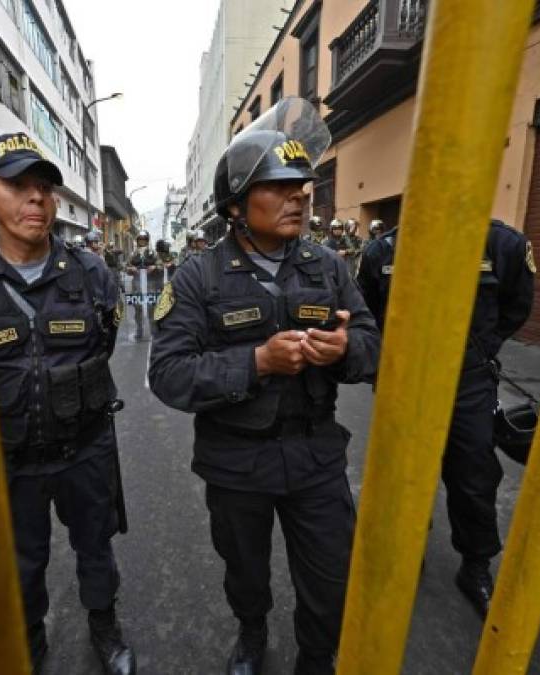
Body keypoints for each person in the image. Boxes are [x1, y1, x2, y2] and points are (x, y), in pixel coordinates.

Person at [148, 97, 380, 675]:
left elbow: (375, 342)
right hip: (236, 463)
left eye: (302, 184)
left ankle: (316, 658)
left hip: (315, 456)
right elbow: (169, 374)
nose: (300, 195)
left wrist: (346, 348)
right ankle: (251, 635)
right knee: (245, 568)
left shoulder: (328, 266)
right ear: (235, 205)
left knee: (331, 578)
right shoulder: (197, 275)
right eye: (278, 186)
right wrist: (257, 361)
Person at [0, 132, 136, 675]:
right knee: (23, 561)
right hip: (8, 458)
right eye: (17, 186)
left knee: (96, 546)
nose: (35, 199)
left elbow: (104, 342)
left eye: (43, 188)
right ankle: (29, 639)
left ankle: (103, 625)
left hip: (83, 447)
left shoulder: (90, 273)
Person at [355, 218, 535, 619]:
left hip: (468, 381)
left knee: (473, 473)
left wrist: (480, 351)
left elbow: (516, 307)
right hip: (404, 381)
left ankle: (475, 566)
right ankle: (407, 549)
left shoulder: (502, 244)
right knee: (402, 472)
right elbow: (365, 312)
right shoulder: (383, 251)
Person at [125, 231, 159, 340]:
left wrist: (154, 267)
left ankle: (154, 331)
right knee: (138, 309)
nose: (142, 241)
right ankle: (139, 330)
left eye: (144, 239)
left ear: (147, 241)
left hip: (151, 284)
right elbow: (126, 267)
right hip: (137, 284)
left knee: (151, 309)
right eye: (140, 239)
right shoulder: (133, 254)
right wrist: (131, 269)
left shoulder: (153, 253)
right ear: (137, 240)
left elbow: (161, 264)